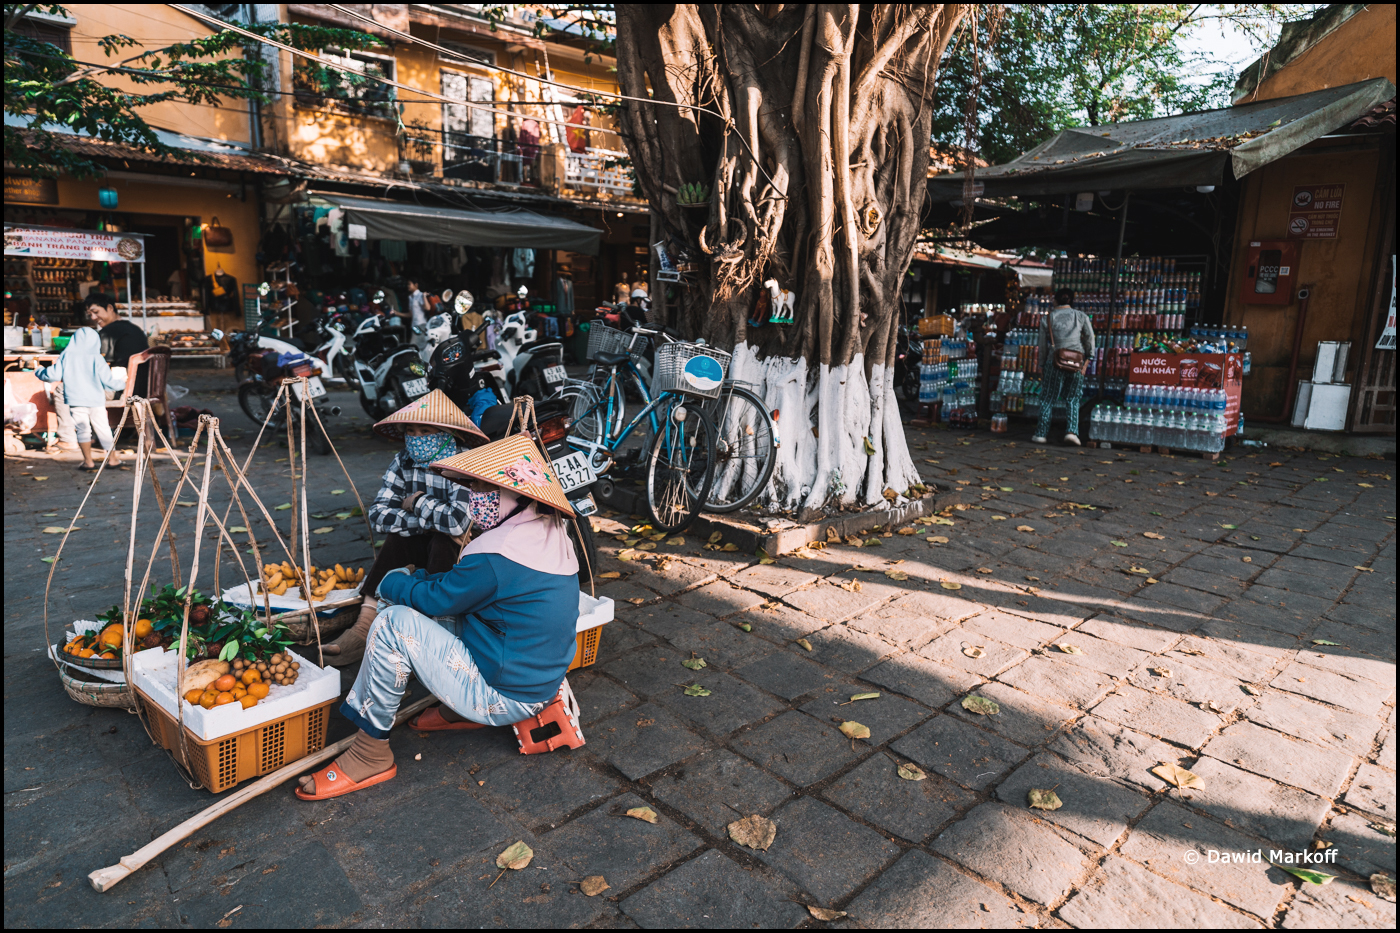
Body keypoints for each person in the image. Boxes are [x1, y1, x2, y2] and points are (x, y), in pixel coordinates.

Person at [296, 433, 581, 800]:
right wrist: (413, 581)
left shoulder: (498, 556)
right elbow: (456, 590)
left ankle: (370, 754)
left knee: (391, 623)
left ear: (519, 497)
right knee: (409, 608)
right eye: (475, 486)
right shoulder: (547, 532)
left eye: (486, 488)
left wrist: (391, 582)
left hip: (506, 695)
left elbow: (436, 599)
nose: (475, 495)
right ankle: (445, 705)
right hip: (531, 677)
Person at [321, 389, 489, 666]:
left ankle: (433, 627)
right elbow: (379, 515)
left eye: (426, 430)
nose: (416, 437)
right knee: (398, 539)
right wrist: (430, 523)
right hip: (423, 538)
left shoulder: (465, 461)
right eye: (411, 431)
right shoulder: (404, 461)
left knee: (444, 541)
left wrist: (417, 501)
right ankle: (364, 626)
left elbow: (459, 521)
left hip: (463, 551)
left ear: (447, 433)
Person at [31, 327, 125, 470]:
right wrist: (123, 383)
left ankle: (88, 462)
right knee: (103, 429)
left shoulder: (66, 356)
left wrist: (38, 371)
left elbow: (52, 375)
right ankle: (112, 459)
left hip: (76, 400)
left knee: (82, 430)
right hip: (96, 400)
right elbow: (108, 383)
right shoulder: (97, 358)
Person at [1033, 287, 1095, 446]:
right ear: (1071, 301)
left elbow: (1042, 345)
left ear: (1055, 300)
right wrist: (1087, 361)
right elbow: (1090, 339)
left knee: (1048, 398)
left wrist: (1042, 365)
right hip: (1076, 363)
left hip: (1054, 362)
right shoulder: (1081, 316)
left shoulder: (1048, 318)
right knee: (1073, 398)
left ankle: (1041, 434)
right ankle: (1072, 433)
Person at [84, 292, 149, 396]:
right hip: (144, 390)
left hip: (122, 392)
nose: (93, 317)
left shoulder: (108, 333)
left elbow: (101, 366)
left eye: (96, 312)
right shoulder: (135, 329)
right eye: (90, 314)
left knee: (64, 390)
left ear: (110, 308)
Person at [406, 277, 428, 349]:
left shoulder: (420, 295)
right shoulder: (410, 297)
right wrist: (396, 313)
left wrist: (424, 296)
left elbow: (427, 308)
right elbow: (410, 314)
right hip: (414, 325)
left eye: (409, 284)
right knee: (419, 347)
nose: (408, 286)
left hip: (421, 324)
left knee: (413, 347)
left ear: (416, 285)